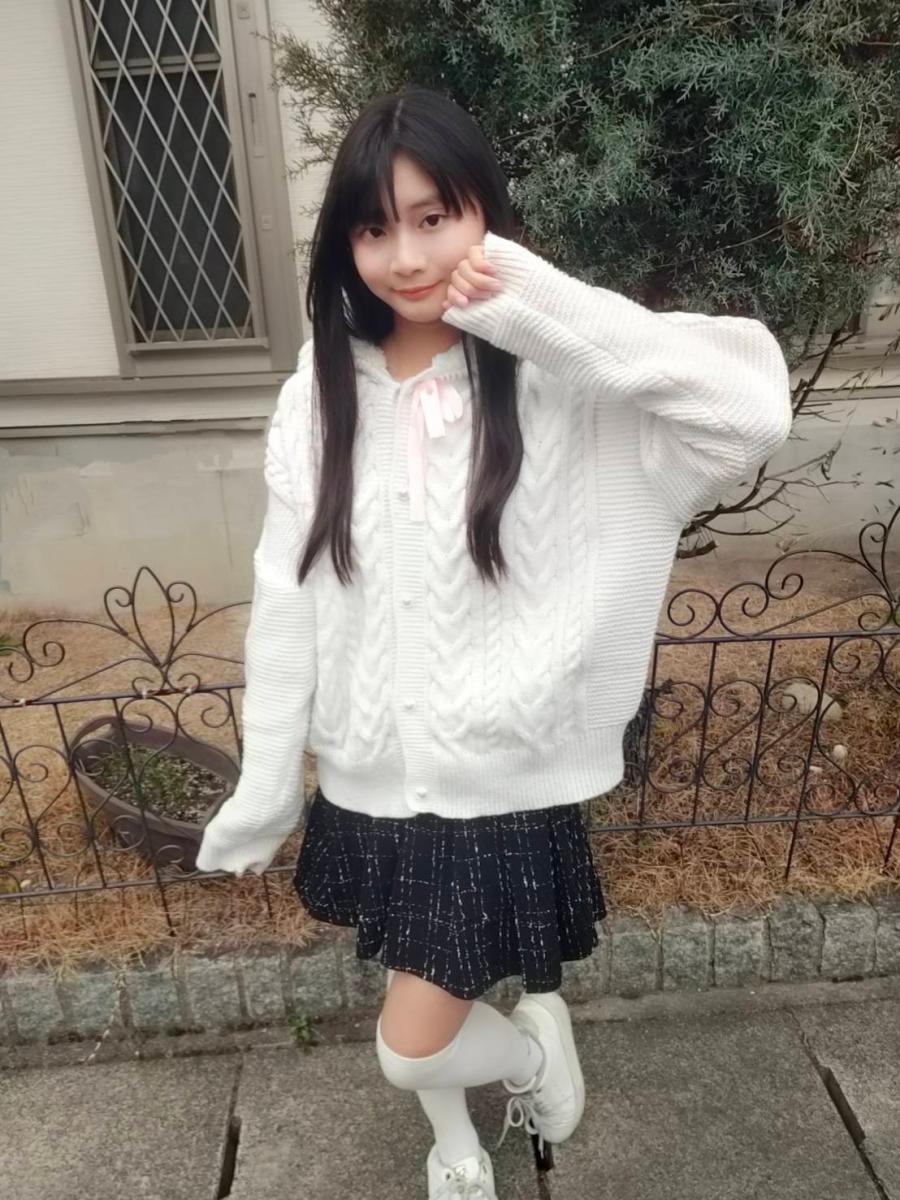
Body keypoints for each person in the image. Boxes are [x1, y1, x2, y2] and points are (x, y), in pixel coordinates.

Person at [195, 84, 792, 1198]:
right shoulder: (320, 390)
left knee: (408, 1037)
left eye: (436, 217)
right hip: (372, 779)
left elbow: (748, 410)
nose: (406, 256)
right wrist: (269, 780)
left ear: (486, 214)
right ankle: (456, 1144)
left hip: (503, 780)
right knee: (418, 977)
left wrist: (531, 303)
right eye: (374, 228)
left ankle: (529, 1056)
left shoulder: (567, 379)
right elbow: (286, 593)